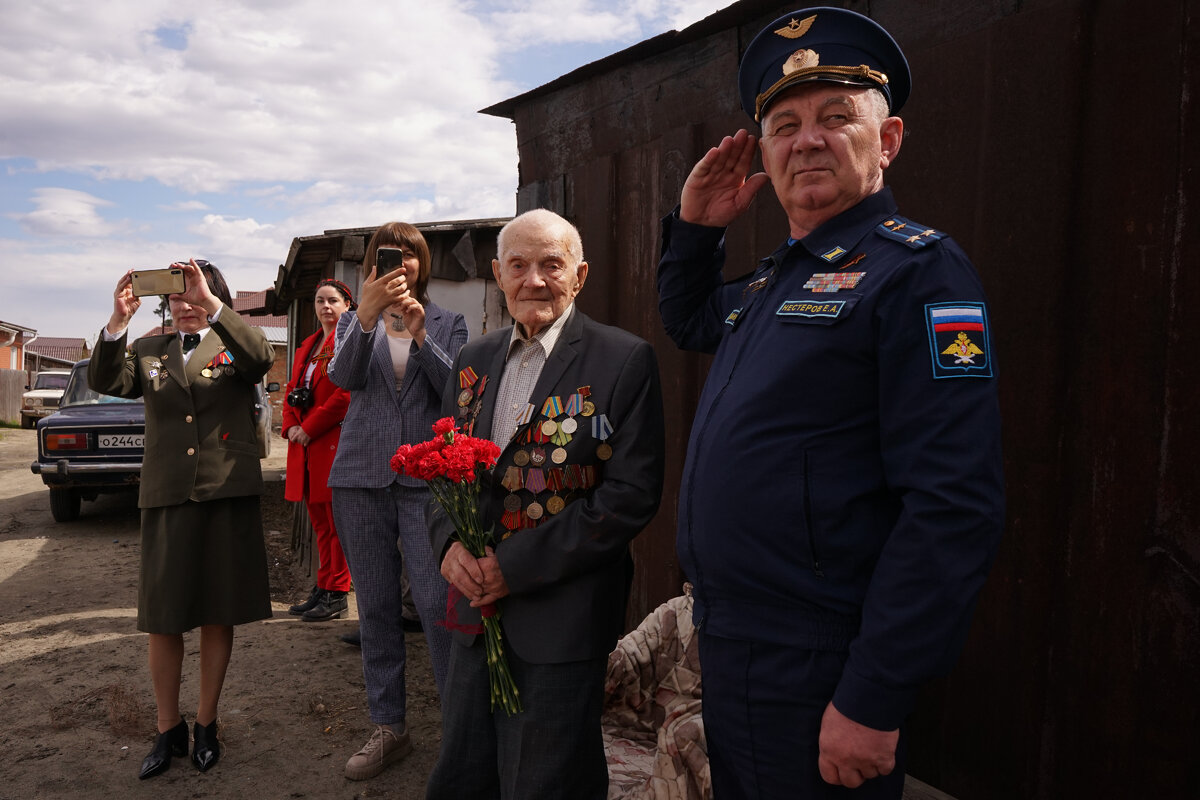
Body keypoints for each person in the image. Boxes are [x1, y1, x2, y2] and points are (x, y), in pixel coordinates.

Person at [656, 8, 1005, 798]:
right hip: (736, 646)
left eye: (835, 117)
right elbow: (688, 319)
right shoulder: (780, 277)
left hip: (819, 665)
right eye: (783, 124)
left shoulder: (919, 274)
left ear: (886, 142)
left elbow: (955, 505)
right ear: (766, 153)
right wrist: (695, 230)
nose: (806, 138)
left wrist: (874, 695)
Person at [426, 209, 666, 800]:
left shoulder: (623, 360)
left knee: (546, 780)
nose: (534, 279)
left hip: (563, 616)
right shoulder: (472, 360)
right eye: (519, 265)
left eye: (551, 264)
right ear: (498, 275)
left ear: (579, 276)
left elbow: (629, 497)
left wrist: (513, 567)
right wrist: (446, 545)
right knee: (463, 774)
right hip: (474, 616)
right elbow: (445, 469)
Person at [88, 259, 274, 780]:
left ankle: (207, 724)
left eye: (195, 295)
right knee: (164, 615)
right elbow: (106, 378)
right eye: (176, 297)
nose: (185, 305)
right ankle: (168, 727)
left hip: (224, 494)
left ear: (215, 298)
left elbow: (260, 359)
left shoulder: (233, 344)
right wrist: (117, 323)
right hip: (168, 494)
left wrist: (212, 305)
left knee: (218, 611)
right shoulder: (149, 350)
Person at [326, 221, 467, 781]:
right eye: (391, 254)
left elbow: (457, 389)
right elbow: (344, 378)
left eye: (410, 253)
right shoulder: (351, 321)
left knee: (437, 608)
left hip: (427, 479)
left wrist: (420, 333)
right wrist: (364, 317)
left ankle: (463, 731)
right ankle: (389, 727)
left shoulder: (448, 321)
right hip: (361, 476)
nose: (401, 261)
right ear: (371, 264)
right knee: (378, 608)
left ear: (423, 263)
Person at [283, 279, 354, 622]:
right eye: (320, 301)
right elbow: (290, 391)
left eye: (333, 301)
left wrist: (308, 428)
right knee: (321, 524)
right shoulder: (307, 346)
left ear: (347, 306)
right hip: (306, 446)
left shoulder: (349, 343)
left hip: (329, 442)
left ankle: (338, 592)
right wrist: (291, 427)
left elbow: (344, 396)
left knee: (337, 523)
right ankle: (324, 586)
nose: (326, 307)